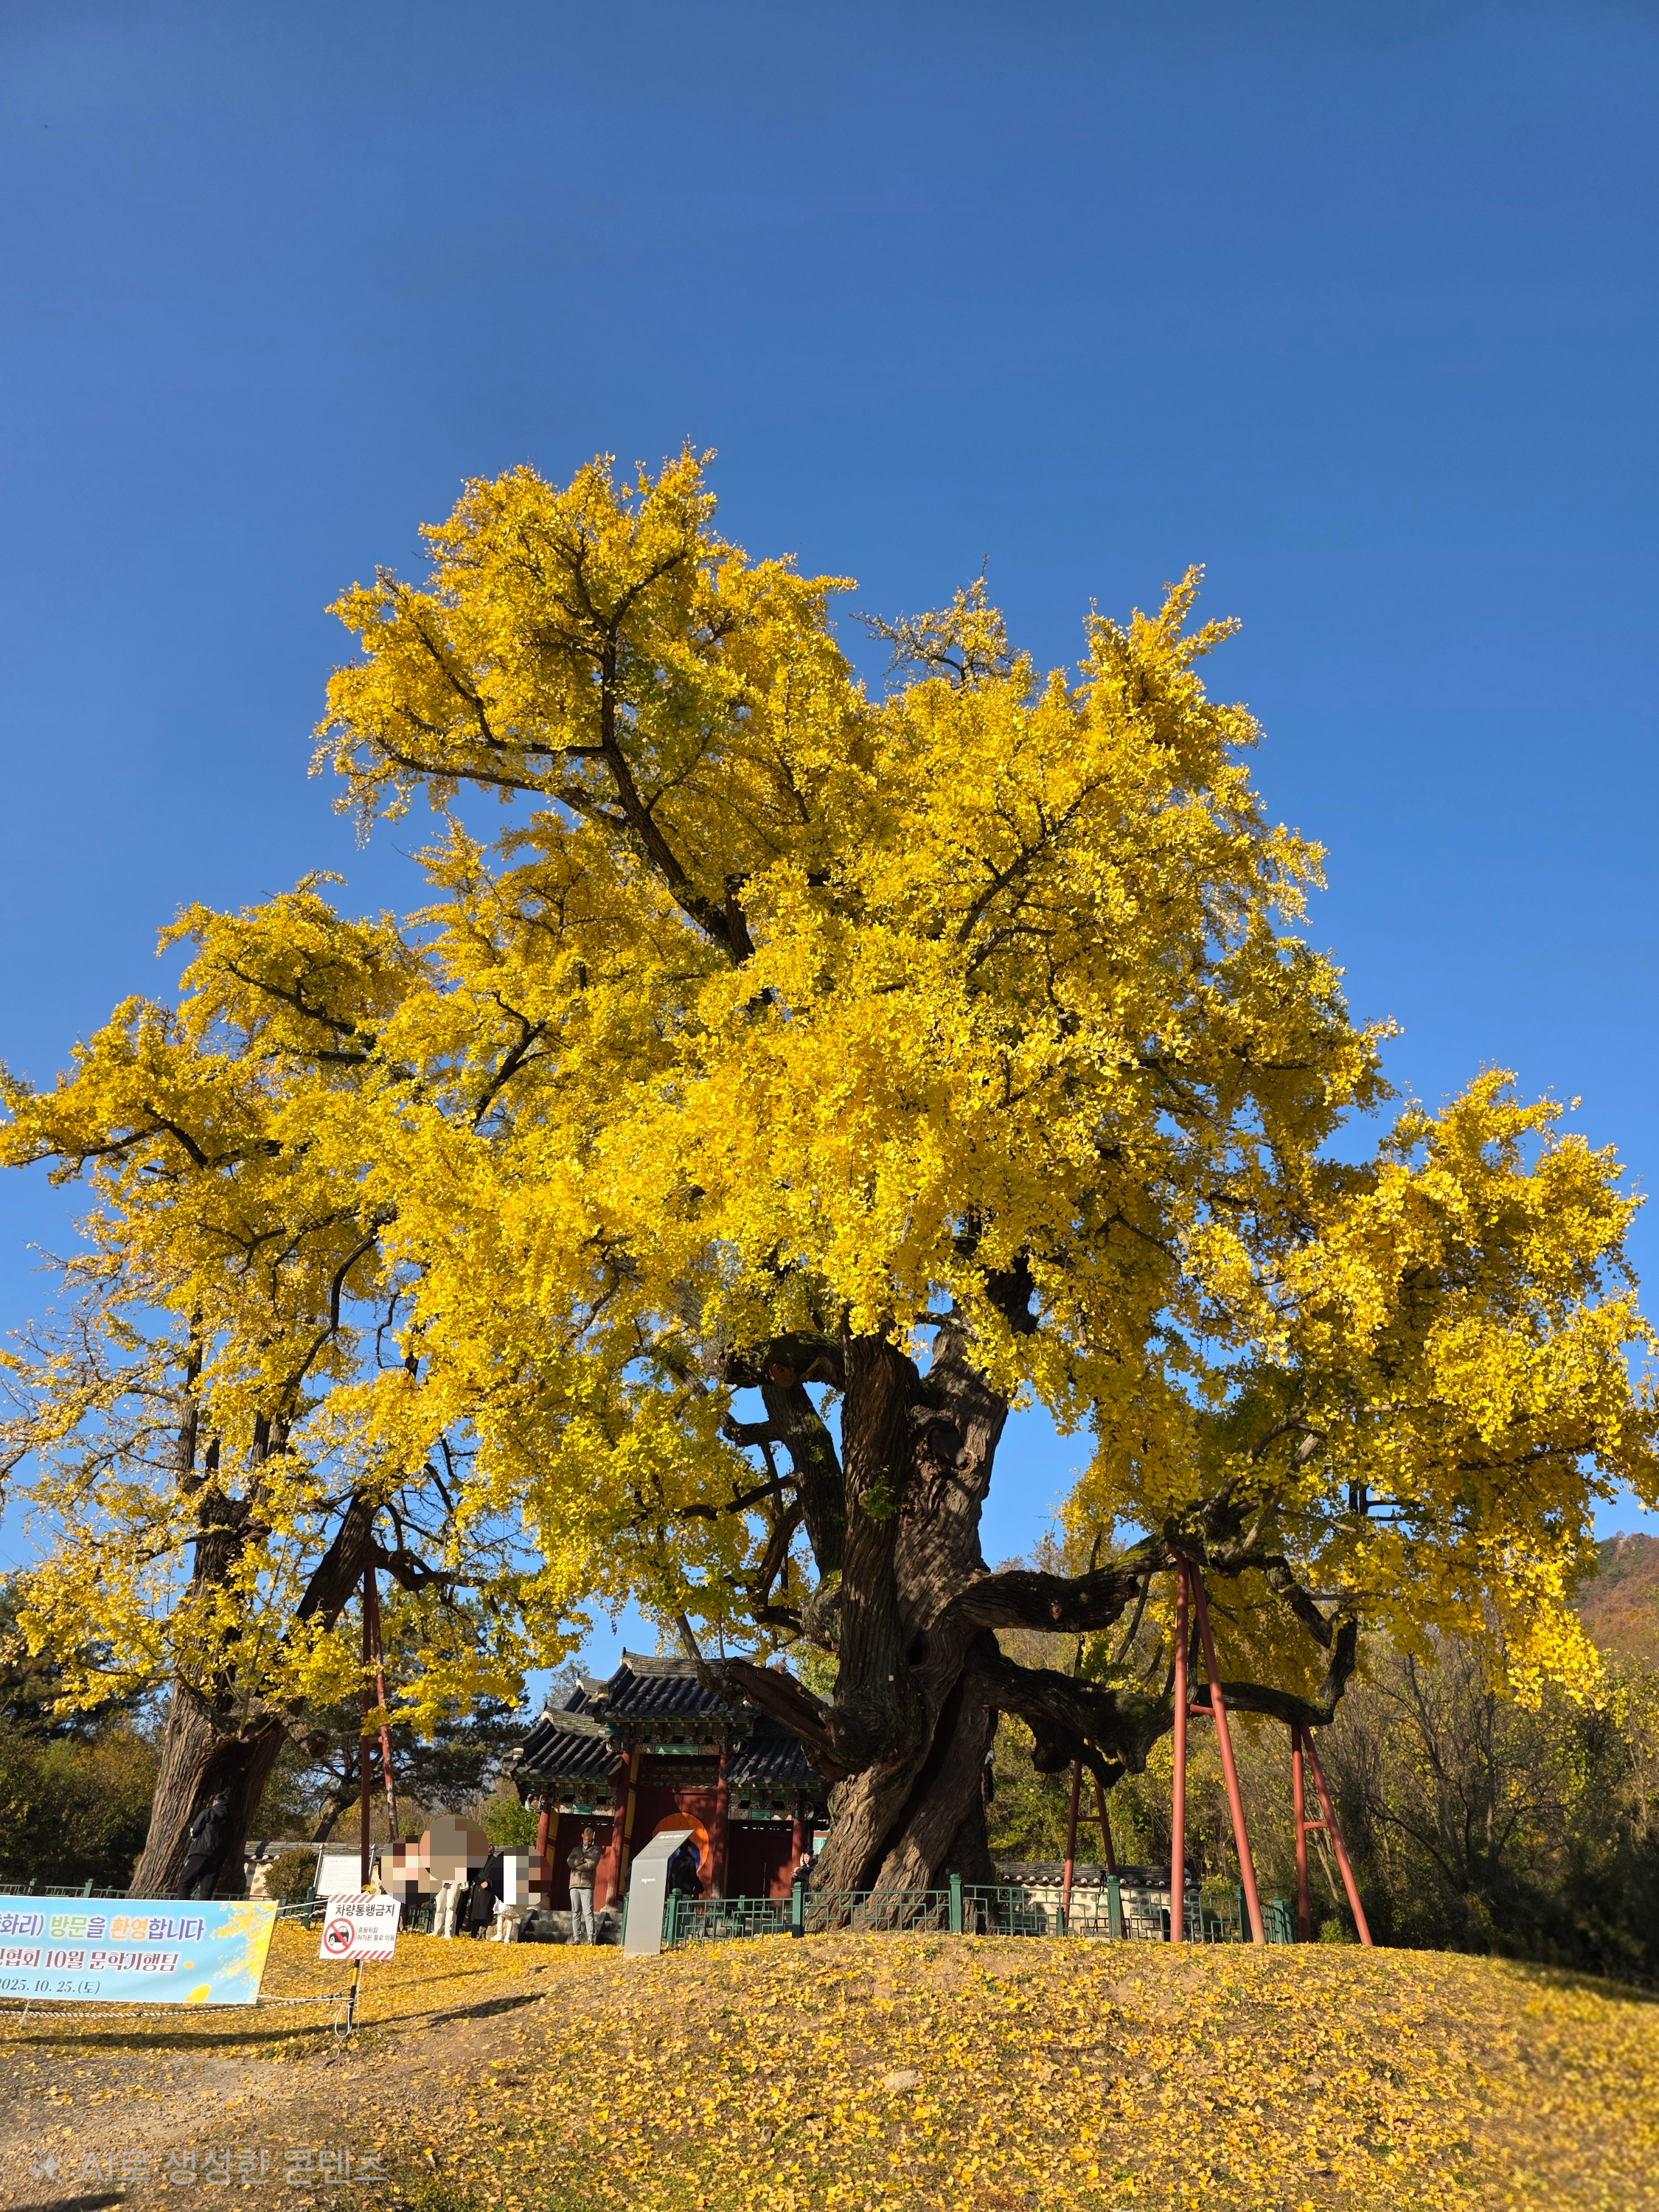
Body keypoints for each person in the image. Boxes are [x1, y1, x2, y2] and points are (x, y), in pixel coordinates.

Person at [177, 1789, 232, 1900]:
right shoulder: (231, 1820)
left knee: (185, 1881)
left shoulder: (208, 1812)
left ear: (216, 1802)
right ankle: (202, 1912)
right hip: (218, 1857)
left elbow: (195, 1830)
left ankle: (182, 1908)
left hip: (201, 1851)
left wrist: (192, 1835)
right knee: (207, 1887)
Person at [567, 1824, 601, 1946]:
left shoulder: (596, 1850)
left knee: (588, 1912)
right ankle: (576, 1938)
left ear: (592, 1836)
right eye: (586, 1831)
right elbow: (569, 1862)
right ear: (582, 1835)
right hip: (574, 1884)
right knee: (575, 1912)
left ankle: (590, 1937)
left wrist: (577, 1865)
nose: (588, 1833)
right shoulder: (575, 1850)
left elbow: (592, 1864)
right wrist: (582, 1860)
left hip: (587, 1885)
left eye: (590, 1832)